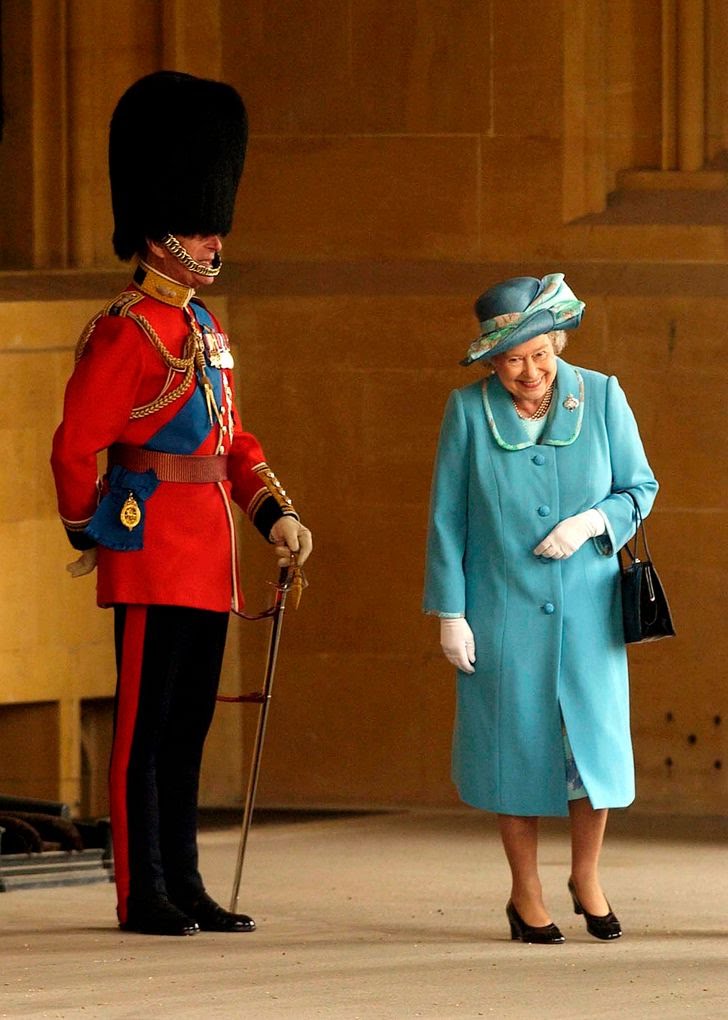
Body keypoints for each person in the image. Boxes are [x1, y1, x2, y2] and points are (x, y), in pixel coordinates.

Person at [51, 72, 312, 937]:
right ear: (161, 234)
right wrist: (88, 527)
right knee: (141, 733)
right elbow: (73, 444)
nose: (213, 238)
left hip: (207, 560)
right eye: (200, 225)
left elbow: (234, 445)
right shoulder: (128, 332)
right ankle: (141, 891)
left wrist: (275, 518)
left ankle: (186, 883)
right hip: (147, 550)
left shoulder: (205, 332)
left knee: (189, 730)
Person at [424, 274, 657, 944]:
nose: (529, 372)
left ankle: (587, 877)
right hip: (500, 607)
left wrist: (590, 523)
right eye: (513, 359)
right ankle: (525, 895)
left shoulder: (603, 395)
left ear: (557, 343)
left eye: (540, 355)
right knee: (513, 750)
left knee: (593, 753)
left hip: (588, 609)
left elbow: (641, 487)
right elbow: (447, 518)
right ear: (492, 361)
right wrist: (450, 611)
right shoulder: (467, 412)